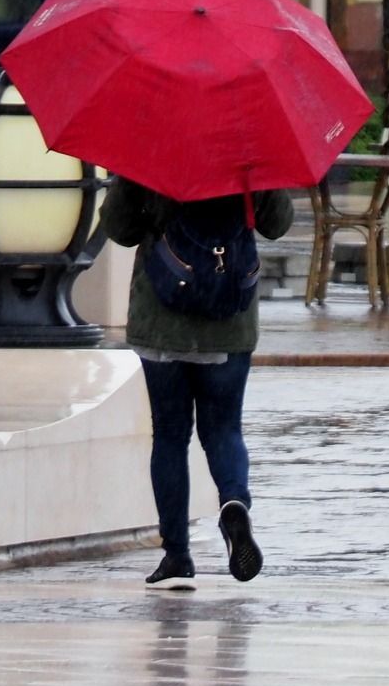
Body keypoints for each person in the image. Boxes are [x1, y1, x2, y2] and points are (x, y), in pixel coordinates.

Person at [102, 175, 294, 590]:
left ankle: (176, 555)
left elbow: (119, 228)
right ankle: (233, 503)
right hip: (229, 319)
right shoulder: (250, 149)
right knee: (223, 430)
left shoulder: (149, 148)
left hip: (161, 316)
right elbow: (278, 223)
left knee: (170, 436)